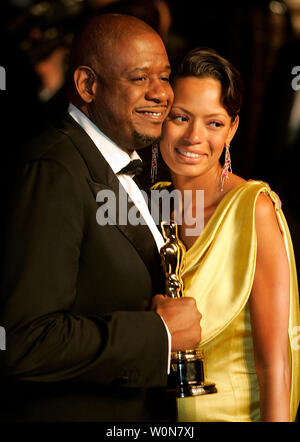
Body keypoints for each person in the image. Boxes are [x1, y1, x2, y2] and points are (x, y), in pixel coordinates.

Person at [0, 14, 202, 422]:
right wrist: (157, 336)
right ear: (87, 85)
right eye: (139, 78)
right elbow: (23, 341)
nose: (162, 93)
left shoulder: (131, 167)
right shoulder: (53, 170)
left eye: (164, 77)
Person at [158, 47, 300, 421]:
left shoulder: (254, 209)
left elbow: (276, 365)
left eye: (214, 123)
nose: (193, 136)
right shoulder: (147, 202)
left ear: (233, 129)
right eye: (180, 117)